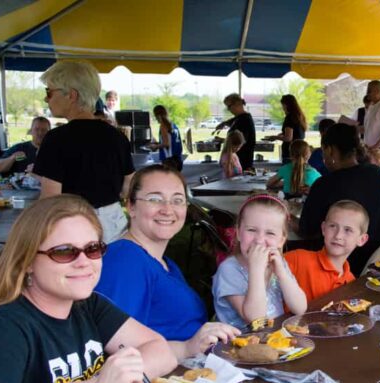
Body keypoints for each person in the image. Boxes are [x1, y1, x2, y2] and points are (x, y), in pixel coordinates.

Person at [0, 195, 176, 383]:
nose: (83, 262)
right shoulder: (6, 325)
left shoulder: (87, 305)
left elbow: (160, 351)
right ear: (27, 261)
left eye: (92, 248)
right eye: (65, 252)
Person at [95, 165, 240, 360]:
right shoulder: (125, 261)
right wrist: (187, 347)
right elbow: (119, 348)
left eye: (177, 200)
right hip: (164, 381)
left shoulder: (165, 262)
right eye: (155, 199)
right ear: (131, 207)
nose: (167, 209)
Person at [33, 61, 135, 244]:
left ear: (71, 95)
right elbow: (128, 188)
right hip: (114, 225)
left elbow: (50, 199)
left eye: (49, 92)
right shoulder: (117, 137)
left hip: (73, 227)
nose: (46, 99)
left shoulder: (56, 139)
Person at [298, 123, 380, 275]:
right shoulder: (377, 174)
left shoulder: (325, 184)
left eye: (323, 151)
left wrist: (289, 219)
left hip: (338, 266)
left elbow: (306, 230)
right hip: (378, 262)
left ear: (330, 150)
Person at [213, 194, 307, 330]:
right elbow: (255, 319)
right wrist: (256, 269)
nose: (259, 240)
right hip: (238, 344)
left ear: (281, 240)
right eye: (251, 230)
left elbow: (300, 308)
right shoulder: (229, 270)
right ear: (238, 232)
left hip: (274, 339)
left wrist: (282, 273)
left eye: (270, 233)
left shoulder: (278, 264)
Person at [285, 200, 369, 302]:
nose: (338, 236)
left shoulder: (351, 282)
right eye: (332, 226)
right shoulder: (298, 259)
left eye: (347, 230)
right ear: (324, 228)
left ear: (362, 240)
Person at [215, 93, 256, 171]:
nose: (228, 109)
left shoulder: (244, 120)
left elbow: (239, 141)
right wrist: (224, 123)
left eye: (229, 107)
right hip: (239, 161)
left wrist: (223, 140)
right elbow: (233, 120)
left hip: (242, 162)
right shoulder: (241, 118)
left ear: (237, 104)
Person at [269, 94, 307, 164]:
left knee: (288, 173)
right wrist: (282, 134)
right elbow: (296, 133)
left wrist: (275, 137)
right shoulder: (299, 117)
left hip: (290, 153)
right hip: (299, 151)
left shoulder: (289, 118)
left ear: (286, 105)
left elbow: (288, 138)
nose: (282, 108)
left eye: (282, 105)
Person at [150, 105, 184, 171]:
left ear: (158, 115)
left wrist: (155, 147)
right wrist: (157, 143)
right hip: (177, 158)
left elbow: (166, 144)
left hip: (169, 160)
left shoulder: (163, 125)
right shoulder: (173, 124)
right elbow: (171, 141)